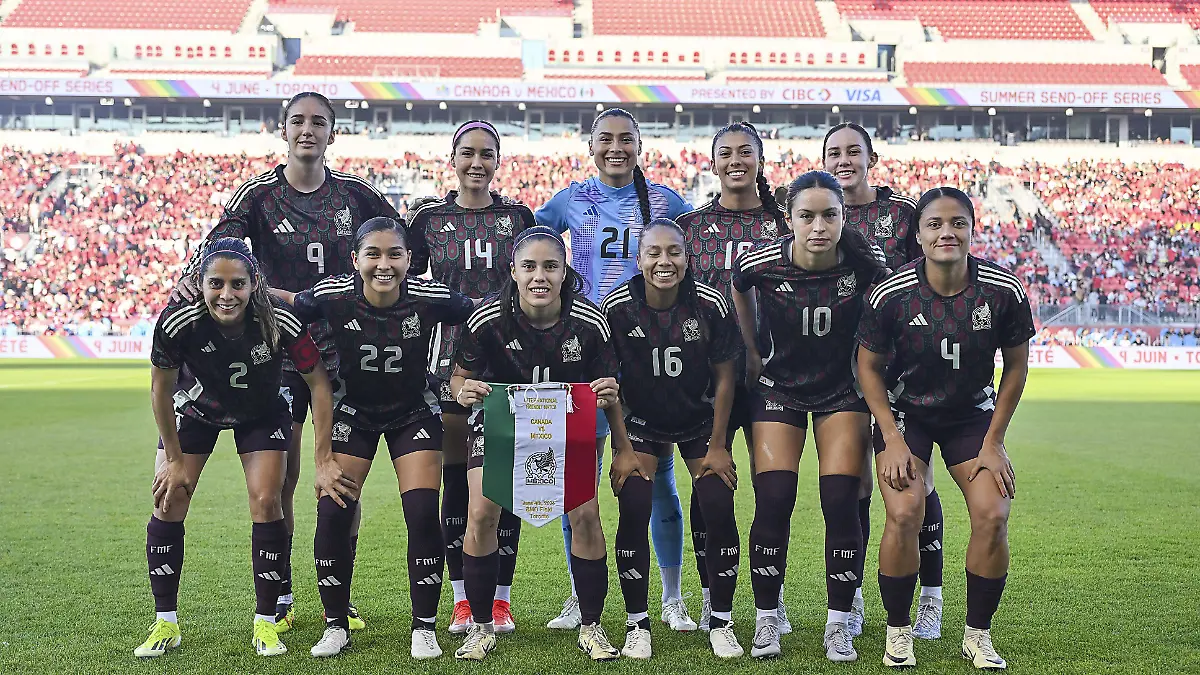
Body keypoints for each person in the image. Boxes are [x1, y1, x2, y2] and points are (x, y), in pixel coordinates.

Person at [175, 91, 412, 632]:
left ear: (333, 133)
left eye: (319, 122)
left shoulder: (357, 196)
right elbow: (218, 248)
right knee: (284, 477)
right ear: (282, 130)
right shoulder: (258, 196)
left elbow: (402, 247)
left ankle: (338, 593)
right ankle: (279, 593)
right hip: (278, 354)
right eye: (298, 121)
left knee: (341, 478)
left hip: (346, 352)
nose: (308, 130)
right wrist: (190, 278)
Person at [856, 187, 1033, 670]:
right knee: (904, 511)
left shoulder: (1003, 290)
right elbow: (867, 367)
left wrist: (994, 441)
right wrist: (890, 437)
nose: (946, 232)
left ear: (973, 229)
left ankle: (977, 635)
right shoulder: (892, 293)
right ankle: (898, 632)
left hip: (971, 415)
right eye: (934, 224)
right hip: (907, 414)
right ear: (918, 235)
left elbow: (1017, 366)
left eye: (958, 223)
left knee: (993, 514)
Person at [282, 217, 475, 659]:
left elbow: (484, 312)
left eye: (394, 254)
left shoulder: (429, 296)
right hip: (354, 411)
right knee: (332, 510)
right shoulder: (332, 295)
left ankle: (423, 627)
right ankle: (335, 625)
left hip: (413, 412)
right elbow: (286, 311)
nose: (383, 264)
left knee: (422, 512)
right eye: (373, 254)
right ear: (355, 259)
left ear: (409, 260)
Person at [535, 107, 696, 631]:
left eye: (626, 139)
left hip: (645, 358)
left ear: (640, 147)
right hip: (582, 355)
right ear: (590, 146)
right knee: (576, 482)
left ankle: (672, 597)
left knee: (658, 479)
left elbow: (692, 253)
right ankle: (578, 595)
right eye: (605, 139)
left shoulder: (667, 202)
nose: (616, 148)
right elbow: (531, 246)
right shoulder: (569, 200)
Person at [135, 238, 332, 659]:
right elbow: (160, 389)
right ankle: (165, 622)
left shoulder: (279, 318)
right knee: (170, 497)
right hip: (196, 408)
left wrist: (323, 457)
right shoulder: (178, 321)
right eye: (216, 284)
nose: (227, 295)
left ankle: (266, 621)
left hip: (261, 412)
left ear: (254, 282)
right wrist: (174, 460)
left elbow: (318, 382)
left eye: (238, 284)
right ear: (200, 282)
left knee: (267, 500)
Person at [450, 226, 627, 661]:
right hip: (501, 425)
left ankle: (591, 626)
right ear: (513, 271)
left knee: (586, 515)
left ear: (565, 272)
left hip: (564, 426)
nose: (539, 276)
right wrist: (463, 391)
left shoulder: (590, 322)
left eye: (550, 266)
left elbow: (609, 389)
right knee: (482, 512)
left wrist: (621, 440)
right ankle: (481, 626)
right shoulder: (486, 319)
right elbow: (458, 378)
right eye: (529, 266)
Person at [731, 171, 888, 661]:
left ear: (843, 216)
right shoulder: (762, 262)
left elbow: (888, 304)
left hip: (841, 392)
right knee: (774, 499)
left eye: (829, 215)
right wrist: (751, 348)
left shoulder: (865, 264)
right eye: (807, 216)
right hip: (778, 389)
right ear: (789, 218)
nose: (818, 226)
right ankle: (767, 618)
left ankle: (838, 623)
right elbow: (739, 284)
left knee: (841, 502)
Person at [405, 120, 535, 636]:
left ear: (498, 160)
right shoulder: (426, 219)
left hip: (508, 363)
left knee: (506, 482)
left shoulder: (517, 217)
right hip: (449, 366)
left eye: (486, 154)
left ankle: (500, 599)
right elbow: (406, 287)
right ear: (453, 158)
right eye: (467, 153)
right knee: (457, 482)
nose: (476, 163)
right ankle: (462, 599)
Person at [603, 219, 745, 659]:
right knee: (634, 504)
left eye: (674, 252)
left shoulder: (710, 303)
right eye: (654, 253)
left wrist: (719, 445)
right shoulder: (616, 307)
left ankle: (720, 620)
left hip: (700, 421)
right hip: (641, 422)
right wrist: (622, 448)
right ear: (638, 259)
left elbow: (726, 378)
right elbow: (607, 382)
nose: (664, 261)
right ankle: (637, 624)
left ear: (687, 257)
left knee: (718, 503)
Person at [823, 121, 943, 639]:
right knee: (856, 484)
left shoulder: (903, 214)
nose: (844, 161)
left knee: (917, 479)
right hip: (842, 369)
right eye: (834, 153)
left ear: (871, 158)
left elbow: (933, 280)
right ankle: (851, 600)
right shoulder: (818, 209)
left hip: (902, 367)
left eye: (853, 151)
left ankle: (931, 597)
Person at [678, 121, 791, 633]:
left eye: (746, 151)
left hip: (774, 376)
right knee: (709, 492)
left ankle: (772, 598)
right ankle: (711, 593)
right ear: (713, 163)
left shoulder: (785, 224)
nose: (736, 160)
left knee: (773, 493)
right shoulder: (690, 227)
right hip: (707, 382)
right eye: (726, 153)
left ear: (761, 161)